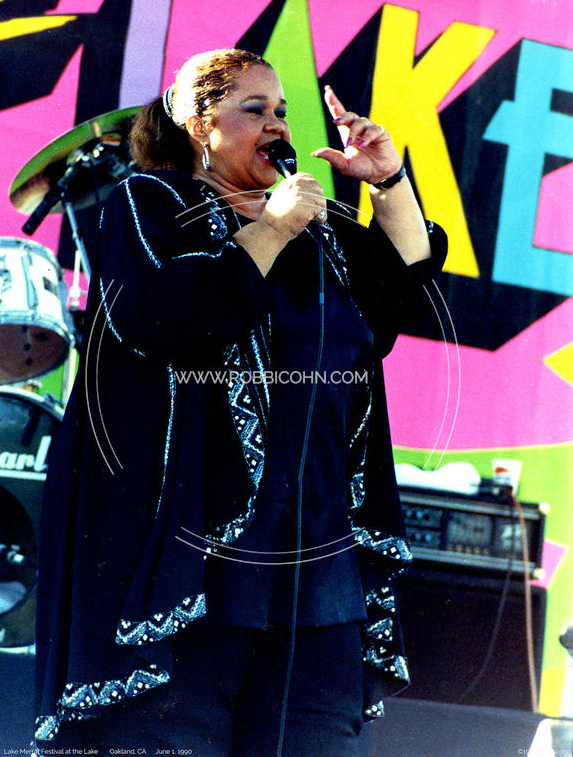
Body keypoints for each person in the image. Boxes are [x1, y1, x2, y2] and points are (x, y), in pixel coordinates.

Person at [33, 48, 447, 757]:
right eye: (254, 110)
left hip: (316, 554)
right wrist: (272, 229)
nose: (277, 126)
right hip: (198, 558)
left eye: (282, 111)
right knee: (177, 731)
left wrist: (388, 181)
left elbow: (400, 289)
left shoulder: (318, 230)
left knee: (320, 738)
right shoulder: (152, 201)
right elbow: (164, 314)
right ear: (197, 124)